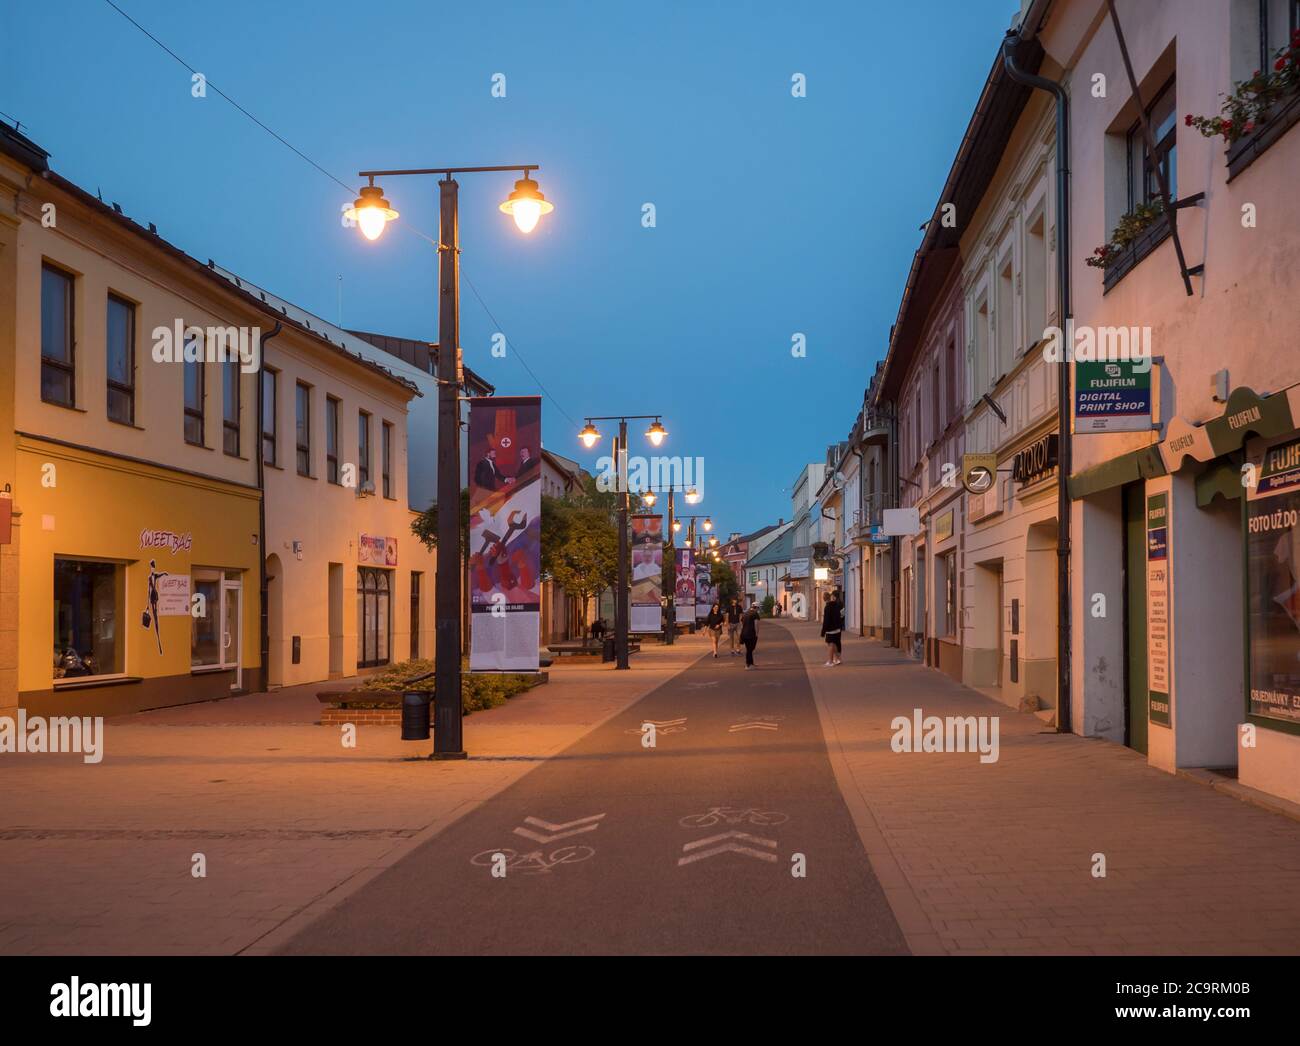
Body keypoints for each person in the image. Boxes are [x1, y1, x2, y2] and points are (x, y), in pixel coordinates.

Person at [820, 590, 843, 666]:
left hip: (830, 629)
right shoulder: (836, 605)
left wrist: (823, 631)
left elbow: (826, 620)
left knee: (830, 644)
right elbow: (839, 616)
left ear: (824, 599)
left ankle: (830, 661)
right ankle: (837, 659)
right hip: (837, 629)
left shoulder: (827, 607)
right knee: (835, 644)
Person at [740, 599, 760, 669]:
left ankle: (751, 663)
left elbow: (741, 624)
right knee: (750, 650)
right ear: (756, 607)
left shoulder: (746, 613)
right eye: (758, 608)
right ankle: (748, 665)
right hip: (751, 634)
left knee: (749, 649)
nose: (758, 610)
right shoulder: (755, 614)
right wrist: (757, 634)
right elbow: (756, 624)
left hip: (744, 634)